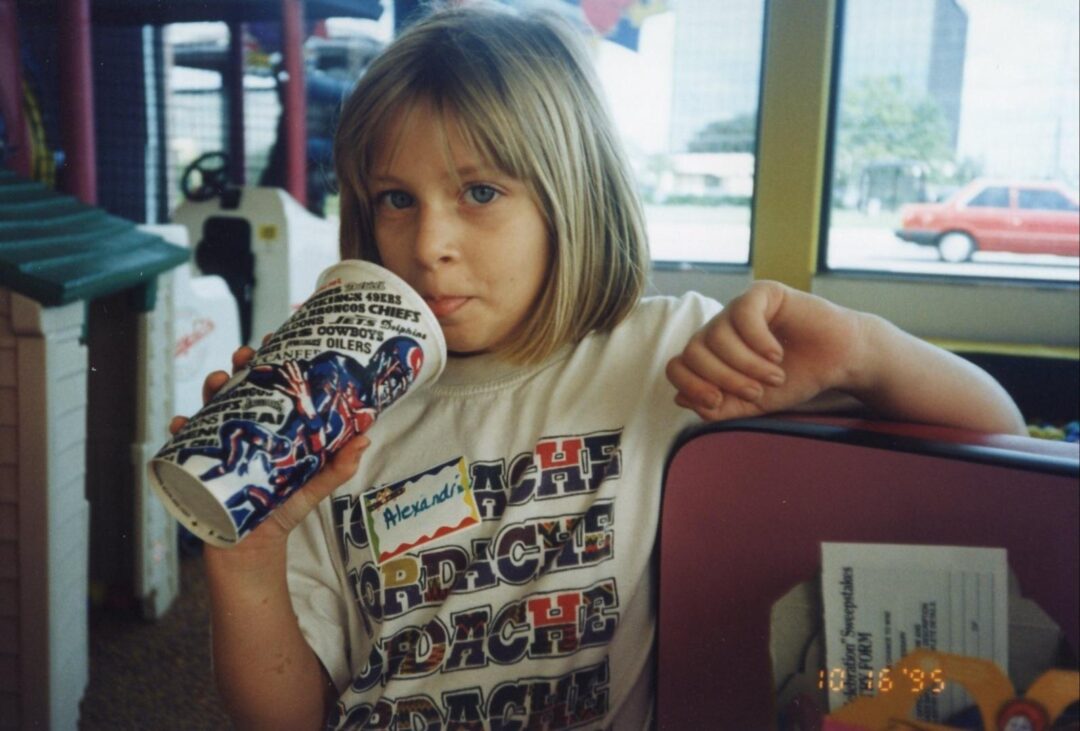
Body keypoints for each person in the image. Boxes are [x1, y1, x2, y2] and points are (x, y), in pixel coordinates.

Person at [175, 3, 1025, 729]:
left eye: (479, 192)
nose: (429, 245)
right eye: (397, 199)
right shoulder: (340, 413)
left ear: (570, 196)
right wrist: (247, 556)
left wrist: (865, 350)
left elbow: (999, 443)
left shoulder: (667, 354)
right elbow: (284, 714)